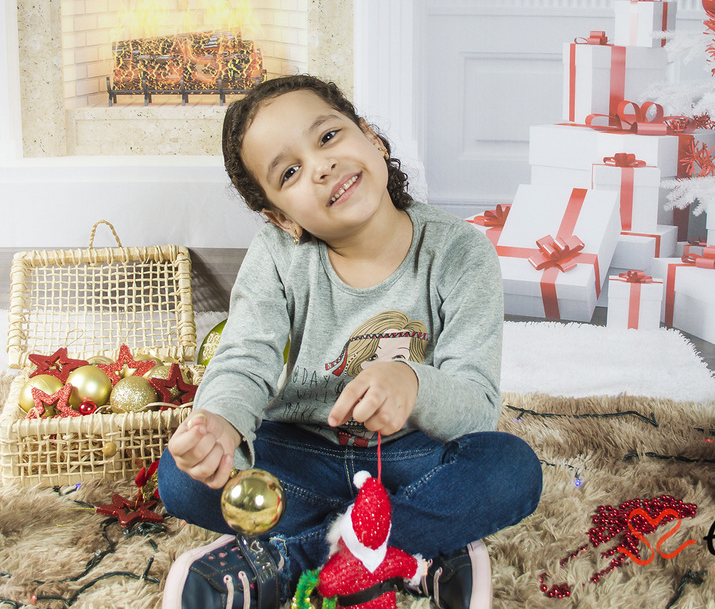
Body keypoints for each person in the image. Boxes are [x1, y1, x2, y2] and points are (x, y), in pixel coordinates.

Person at [158, 75, 542, 609]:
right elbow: (246, 359)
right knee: (178, 479)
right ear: (281, 218)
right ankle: (410, 553)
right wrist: (220, 426)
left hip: (412, 460)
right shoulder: (278, 255)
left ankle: (287, 559)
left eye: (329, 137)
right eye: (289, 172)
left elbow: (476, 408)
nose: (320, 166)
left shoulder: (459, 253)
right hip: (304, 454)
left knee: (511, 470)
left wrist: (412, 382)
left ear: (370, 138)